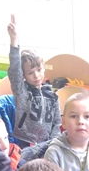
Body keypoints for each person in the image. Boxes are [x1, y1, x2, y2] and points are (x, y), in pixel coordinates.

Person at [7, 14, 61, 147]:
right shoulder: (22, 91)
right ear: (24, 75)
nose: (36, 75)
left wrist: (53, 142)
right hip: (24, 140)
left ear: (44, 68)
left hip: (46, 142)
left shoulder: (53, 96)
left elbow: (57, 123)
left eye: (39, 70)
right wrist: (14, 39)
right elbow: (15, 70)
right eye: (30, 73)